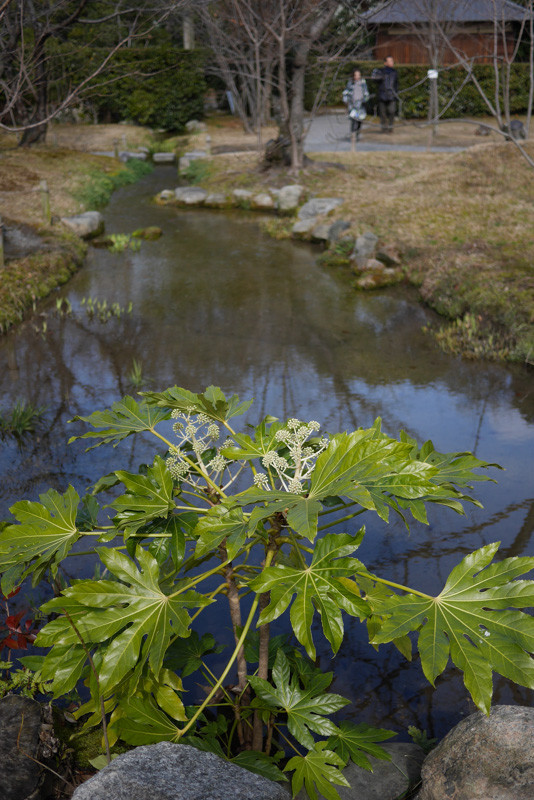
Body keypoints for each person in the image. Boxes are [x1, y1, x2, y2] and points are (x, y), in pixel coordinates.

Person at [342, 68, 370, 150]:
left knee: (359, 121)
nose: (357, 76)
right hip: (353, 106)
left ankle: (357, 133)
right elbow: (346, 93)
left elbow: (366, 93)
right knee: (354, 121)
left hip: (361, 106)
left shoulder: (363, 83)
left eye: (359, 75)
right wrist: (346, 100)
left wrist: (366, 99)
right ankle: (353, 135)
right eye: (356, 75)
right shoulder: (350, 83)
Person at [372, 56, 398, 133]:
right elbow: (375, 80)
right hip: (382, 95)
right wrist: (379, 77)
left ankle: (390, 127)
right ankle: (384, 128)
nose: (391, 62)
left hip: (391, 95)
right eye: (390, 61)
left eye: (392, 61)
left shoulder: (394, 72)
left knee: (392, 111)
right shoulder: (380, 71)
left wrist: (395, 92)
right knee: (382, 113)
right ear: (385, 63)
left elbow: (396, 84)